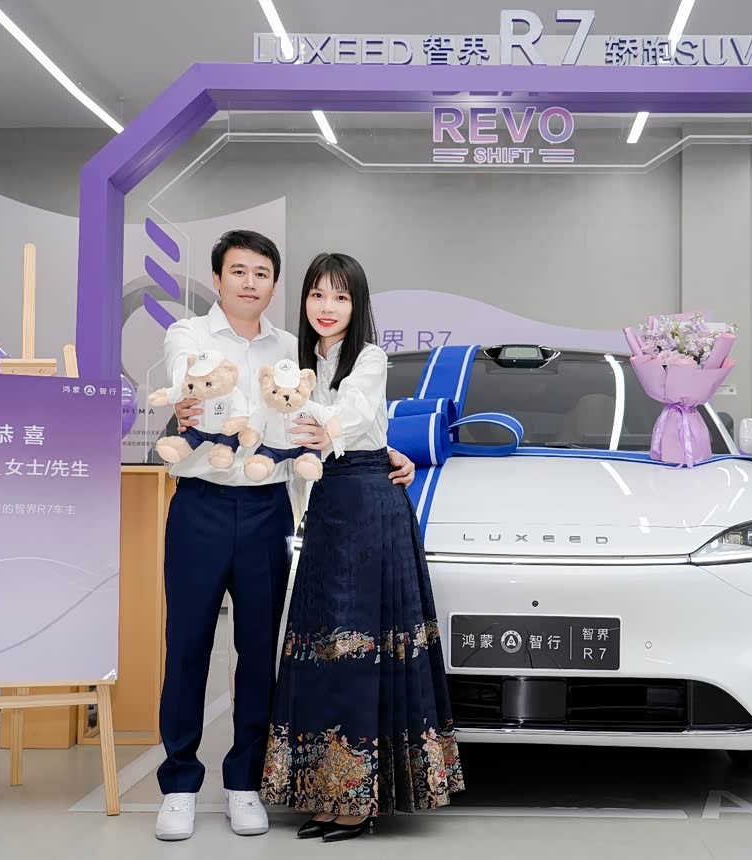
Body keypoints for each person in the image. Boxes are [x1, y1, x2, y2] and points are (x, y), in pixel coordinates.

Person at [154, 232, 416, 842]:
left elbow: (331, 413)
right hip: (199, 505)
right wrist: (188, 402)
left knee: (257, 651)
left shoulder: (292, 348)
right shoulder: (188, 335)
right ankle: (179, 785)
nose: (249, 282)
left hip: (268, 508)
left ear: (275, 284)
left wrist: (384, 452)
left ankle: (244, 782)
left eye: (262, 273)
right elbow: (184, 378)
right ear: (217, 278)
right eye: (238, 271)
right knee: (187, 646)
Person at [261, 252, 465, 842]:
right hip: (327, 509)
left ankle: (360, 799)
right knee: (323, 649)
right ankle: (326, 792)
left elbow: (350, 416)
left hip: (371, 507)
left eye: (341, 297)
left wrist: (304, 412)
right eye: (317, 295)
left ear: (358, 305)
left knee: (362, 650)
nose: (327, 308)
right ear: (304, 300)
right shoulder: (296, 363)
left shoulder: (370, 358)